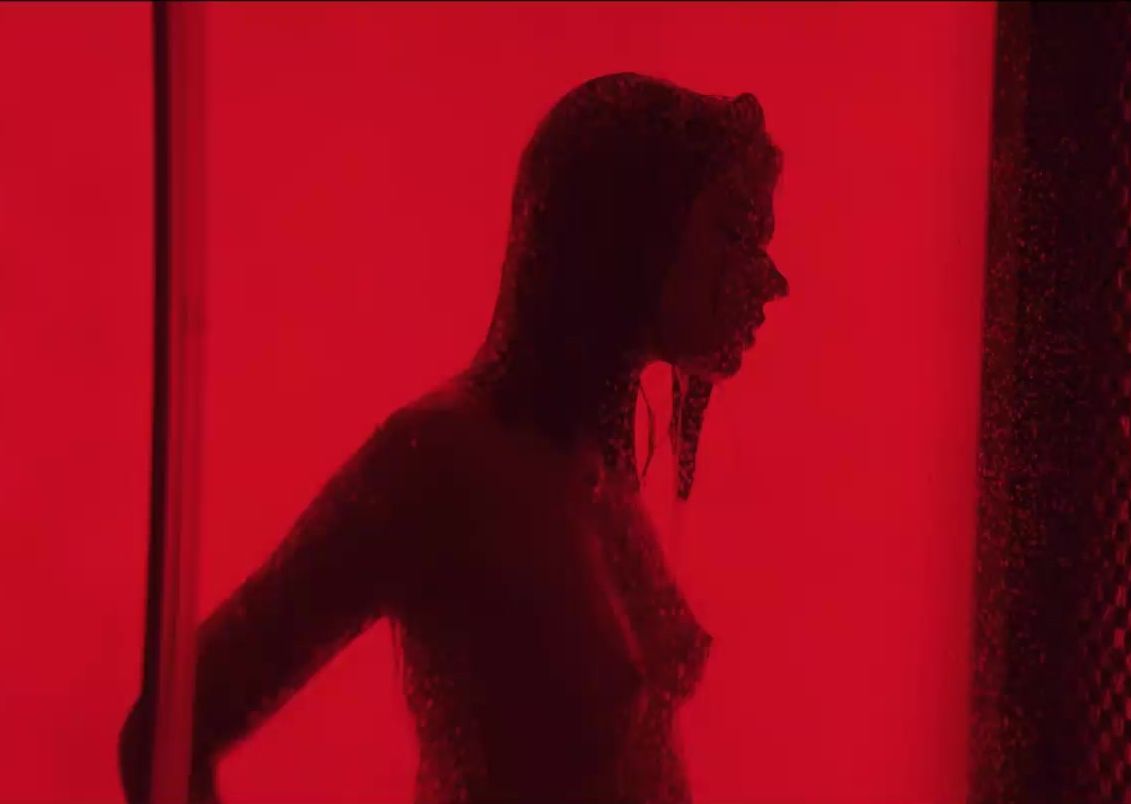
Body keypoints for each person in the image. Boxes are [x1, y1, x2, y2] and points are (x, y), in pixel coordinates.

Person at [119, 71, 789, 803]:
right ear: (629, 232)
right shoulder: (443, 461)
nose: (770, 279)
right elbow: (169, 729)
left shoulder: (593, 464)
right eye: (734, 233)